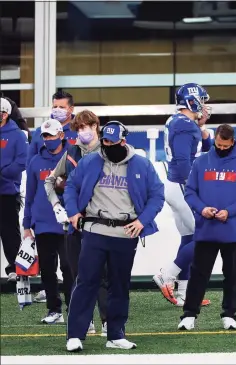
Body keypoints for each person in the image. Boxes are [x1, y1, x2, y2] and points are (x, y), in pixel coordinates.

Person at [64, 121, 165, 352]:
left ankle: (116, 334)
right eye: (105, 141)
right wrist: (72, 212)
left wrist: (142, 221)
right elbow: (71, 186)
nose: (108, 146)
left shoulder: (142, 164)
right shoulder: (90, 161)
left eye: (113, 142)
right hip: (95, 230)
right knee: (86, 282)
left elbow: (157, 195)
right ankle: (75, 335)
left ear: (123, 141)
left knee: (119, 285)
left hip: (125, 232)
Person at [178, 124, 236, 331]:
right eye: (218, 144)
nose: (221, 148)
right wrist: (202, 209)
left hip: (234, 230)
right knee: (198, 274)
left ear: (233, 142)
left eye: (225, 145)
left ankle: (230, 315)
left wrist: (229, 212)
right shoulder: (201, 162)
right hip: (206, 229)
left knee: (232, 275)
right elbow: (190, 192)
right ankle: (189, 315)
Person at [44, 110, 108, 336]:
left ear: (96, 126)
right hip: (74, 222)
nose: (83, 132)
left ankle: (108, 319)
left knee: (103, 273)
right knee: (78, 274)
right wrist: (56, 206)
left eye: (86, 127)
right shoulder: (71, 152)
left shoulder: (108, 150)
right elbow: (50, 181)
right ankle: (85, 320)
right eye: (79, 128)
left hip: (102, 222)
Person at [152, 83, 212, 307]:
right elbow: (184, 160)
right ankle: (166, 275)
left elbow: (205, 146)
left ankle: (184, 294)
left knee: (188, 237)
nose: (204, 105)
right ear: (192, 101)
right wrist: (194, 190)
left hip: (176, 185)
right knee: (204, 237)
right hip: (182, 185)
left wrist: (202, 127)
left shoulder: (180, 121)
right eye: (202, 101)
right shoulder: (185, 125)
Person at [23, 119, 73, 324]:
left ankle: (74, 309)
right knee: (47, 270)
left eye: (52, 135)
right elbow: (30, 195)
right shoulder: (35, 161)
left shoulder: (73, 158)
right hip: (42, 223)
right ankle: (54, 310)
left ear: (61, 135)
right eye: (45, 136)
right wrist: (27, 225)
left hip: (68, 223)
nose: (48, 139)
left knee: (69, 269)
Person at [0, 97, 27, 282]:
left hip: (7, 191)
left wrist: (3, 173)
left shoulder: (17, 134)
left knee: (9, 231)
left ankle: (15, 267)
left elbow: (22, 162)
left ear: (6, 114)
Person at [27, 90, 77, 166]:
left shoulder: (80, 131)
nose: (57, 110)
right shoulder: (39, 132)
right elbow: (30, 163)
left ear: (71, 109)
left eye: (61, 107)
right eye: (55, 107)